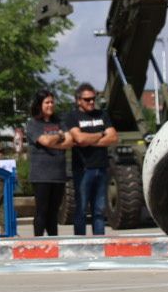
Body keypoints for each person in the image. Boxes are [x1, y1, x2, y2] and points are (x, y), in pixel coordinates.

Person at [63, 84, 117, 236]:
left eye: (93, 99)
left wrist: (90, 140)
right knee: (81, 209)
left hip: (101, 167)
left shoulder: (102, 115)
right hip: (83, 169)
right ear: (78, 100)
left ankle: (99, 242)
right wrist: (101, 134)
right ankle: (80, 242)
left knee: (99, 210)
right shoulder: (72, 117)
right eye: (87, 99)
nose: (91, 102)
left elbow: (113, 137)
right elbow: (79, 139)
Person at [23, 91, 71, 237]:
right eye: (47, 102)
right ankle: (38, 242)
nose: (50, 105)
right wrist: (60, 135)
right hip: (41, 175)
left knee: (54, 212)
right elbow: (44, 141)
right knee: (41, 211)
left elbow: (70, 142)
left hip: (58, 174)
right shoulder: (33, 124)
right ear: (39, 105)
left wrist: (55, 142)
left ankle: (53, 241)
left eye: (52, 102)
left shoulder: (60, 121)